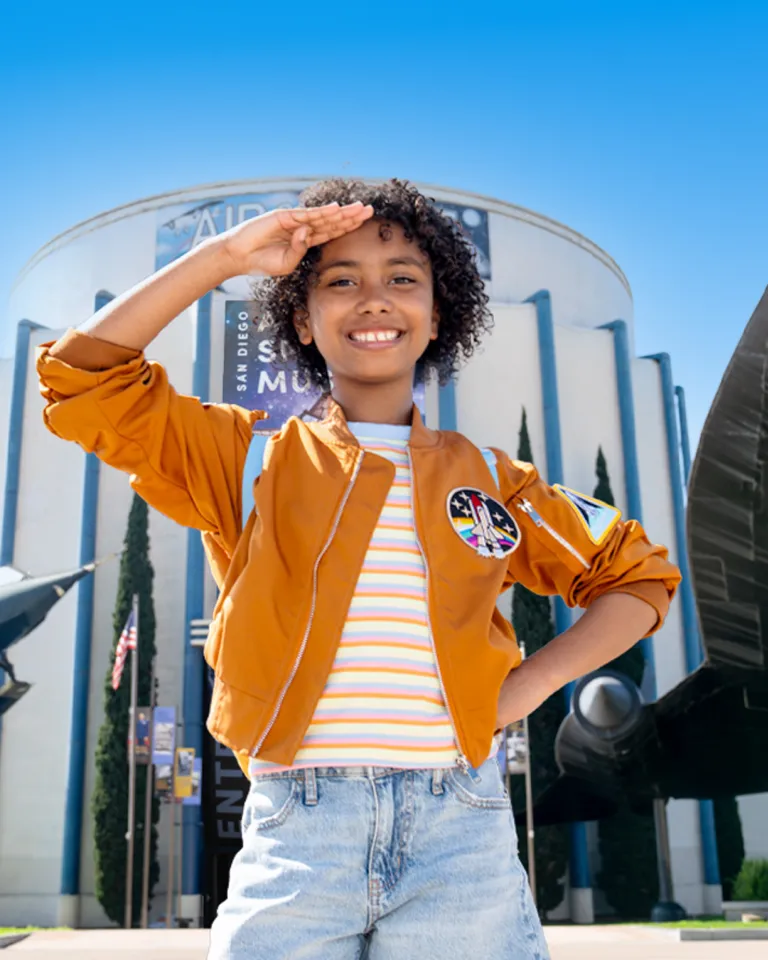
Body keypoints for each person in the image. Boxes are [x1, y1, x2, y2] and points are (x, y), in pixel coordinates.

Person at [37, 178, 681, 959]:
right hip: (298, 833)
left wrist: (528, 688)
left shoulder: (493, 481)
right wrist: (226, 256)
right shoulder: (245, 463)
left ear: (437, 315)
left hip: (462, 834)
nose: (374, 299)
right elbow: (83, 378)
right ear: (303, 322)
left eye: (403, 279)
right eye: (340, 282)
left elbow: (640, 577)